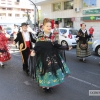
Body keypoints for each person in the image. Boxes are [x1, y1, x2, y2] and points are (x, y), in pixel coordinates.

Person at [30, 18, 71, 93]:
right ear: (43, 27)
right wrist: (34, 51)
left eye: (50, 26)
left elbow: (56, 45)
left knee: (52, 72)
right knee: (45, 72)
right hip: (43, 57)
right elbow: (37, 46)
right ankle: (45, 86)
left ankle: (50, 85)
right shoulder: (40, 35)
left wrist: (66, 47)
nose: (49, 27)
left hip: (53, 57)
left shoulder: (52, 36)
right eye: (47, 26)